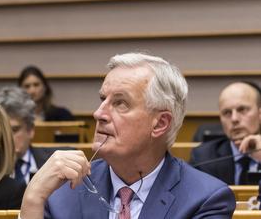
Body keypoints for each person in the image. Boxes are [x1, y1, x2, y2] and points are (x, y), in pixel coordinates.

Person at [20, 52, 235, 219]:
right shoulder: (65, 189)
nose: (98, 114)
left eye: (120, 103)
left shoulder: (205, 199)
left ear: (160, 123)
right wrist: (32, 199)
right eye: (102, 99)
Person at [190, 81, 261, 185]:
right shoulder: (203, 157)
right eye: (227, 113)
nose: (234, 119)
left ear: (259, 114)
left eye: (242, 110)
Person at [0, 86, 59, 185]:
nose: (7, 138)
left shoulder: (55, 164)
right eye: (2, 130)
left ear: (30, 130)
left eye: (14, 130)